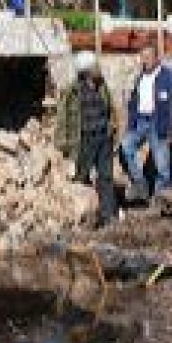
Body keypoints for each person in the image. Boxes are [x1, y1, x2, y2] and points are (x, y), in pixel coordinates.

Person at [55, 51, 119, 226]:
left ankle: (108, 216)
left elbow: (112, 108)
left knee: (106, 177)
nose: (98, 69)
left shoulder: (102, 86)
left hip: (104, 138)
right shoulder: (73, 91)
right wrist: (62, 142)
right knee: (81, 176)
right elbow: (63, 118)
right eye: (95, 66)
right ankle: (84, 215)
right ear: (88, 70)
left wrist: (113, 129)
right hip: (85, 140)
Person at [121, 44, 172, 203]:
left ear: (157, 58)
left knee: (162, 163)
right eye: (143, 57)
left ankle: (162, 197)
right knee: (126, 147)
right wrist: (130, 122)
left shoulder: (169, 76)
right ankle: (140, 184)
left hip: (158, 122)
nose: (145, 61)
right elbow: (133, 101)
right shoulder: (140, 77)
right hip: (140, 121)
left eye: (148, 57)